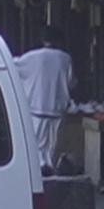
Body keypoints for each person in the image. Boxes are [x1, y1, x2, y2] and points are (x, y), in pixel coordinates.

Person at [14, 26, 75, 174]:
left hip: (36, 109)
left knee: (36, 149)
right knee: (53, 150)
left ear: (42, 40)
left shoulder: (31, 57)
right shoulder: (65, 58)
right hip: (57, 110)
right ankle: (51, 173)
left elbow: (13, 66)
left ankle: (40, 175)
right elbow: (71, 82)